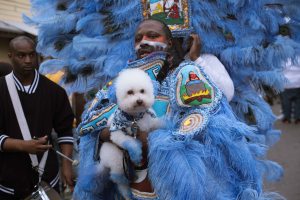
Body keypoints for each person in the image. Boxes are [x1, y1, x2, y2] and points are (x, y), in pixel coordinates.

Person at [74, 19, 282, 200]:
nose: (143, 42)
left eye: (152, 35)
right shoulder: (123, 80)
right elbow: (92, 125)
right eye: (138, 38)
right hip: (132, 188)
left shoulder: (187, 74)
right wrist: (116, 134)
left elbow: (201, 123)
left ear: (170, 42)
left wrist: (147, 138)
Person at [0, 36, 75, 199]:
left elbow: (65, 132)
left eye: (31, 55)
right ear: (10, 56)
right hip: (7, 180)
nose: (28, 60)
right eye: (21, 55)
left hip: (47, 178)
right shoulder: (1, 89)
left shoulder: (55, 92)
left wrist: (67, 166)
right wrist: (23, 145)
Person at [280, 57, 300, 124]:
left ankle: (286, 118)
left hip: (286, 84)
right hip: (298, 82)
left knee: (286, 101)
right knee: (298, 102)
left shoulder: (284, 58)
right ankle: (298, 118)